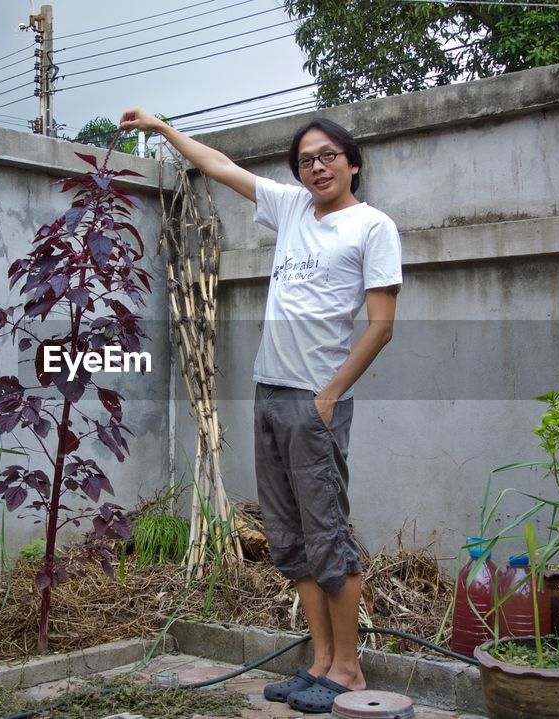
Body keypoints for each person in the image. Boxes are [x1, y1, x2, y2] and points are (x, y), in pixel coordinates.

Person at [119, 108, 401, 714]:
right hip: (270, 392)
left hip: (314, 400)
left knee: (328, 536)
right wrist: (165, 130)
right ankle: (319, 662)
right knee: (289, 537)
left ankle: (348, 669)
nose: (317, 167)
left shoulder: (373, 226)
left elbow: (381, 328)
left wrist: (327, 395)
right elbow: (220, 166)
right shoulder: (292, 207)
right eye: (305, 159)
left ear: (352, 162)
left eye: (328, 155)